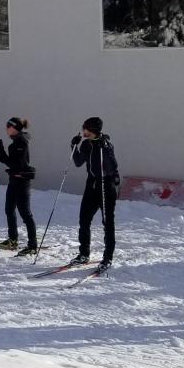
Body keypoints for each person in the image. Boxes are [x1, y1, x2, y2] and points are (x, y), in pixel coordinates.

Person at [71, 116, 119, 271]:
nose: (83, 130)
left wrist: (103, 147)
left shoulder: (106, 145)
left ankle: (107, 257)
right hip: (91, 186)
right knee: (84, 220)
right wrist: (73, 146)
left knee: (108, 223)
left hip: (106, 186)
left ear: (91, 129)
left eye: (85, 128)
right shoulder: (86, 144)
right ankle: (84, 254)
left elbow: (112, 166)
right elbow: (78, 162)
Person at [0, 116, 37, 256]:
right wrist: (0, 155)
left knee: (25, 214)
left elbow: (18, 164)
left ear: (14, 127)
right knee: (9, 209)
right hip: (14, 181)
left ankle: (32, 245)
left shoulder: (21, 142)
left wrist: (1, 154)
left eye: (7, 126)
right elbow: (13, 162)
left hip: (21, 182)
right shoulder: (16, 142)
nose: (6, 129)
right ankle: (13, 240)